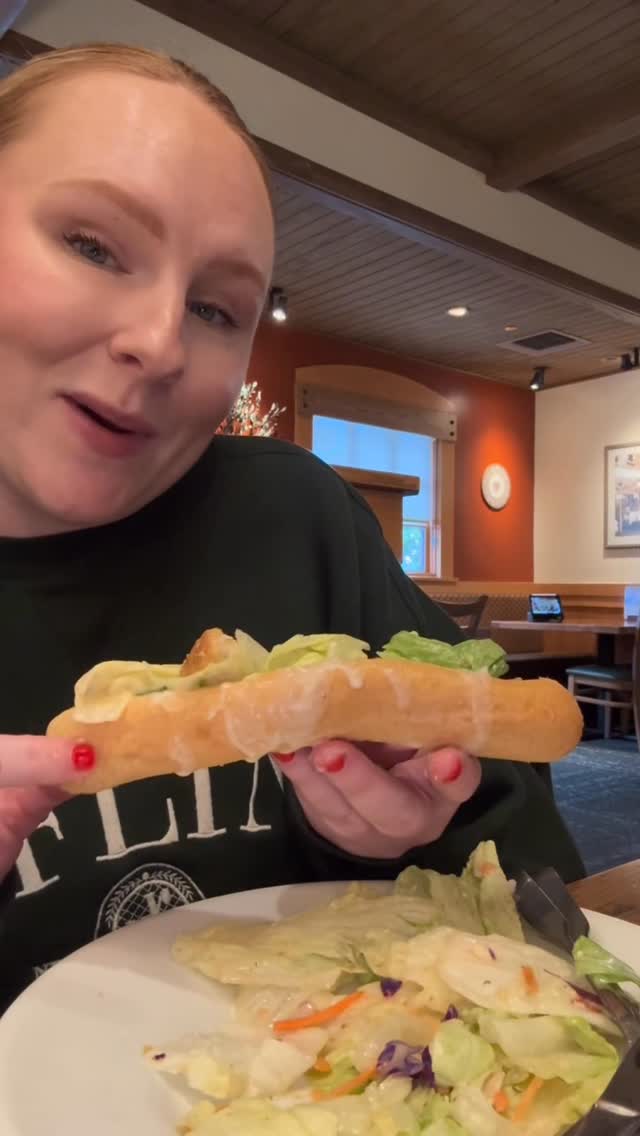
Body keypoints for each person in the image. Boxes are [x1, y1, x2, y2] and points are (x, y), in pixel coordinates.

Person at [0, 43, 583, 1013]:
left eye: (217, 308)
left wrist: (383, 840)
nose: (159, 343)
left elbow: (525, 866)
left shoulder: (296, 517)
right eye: (93, 247)